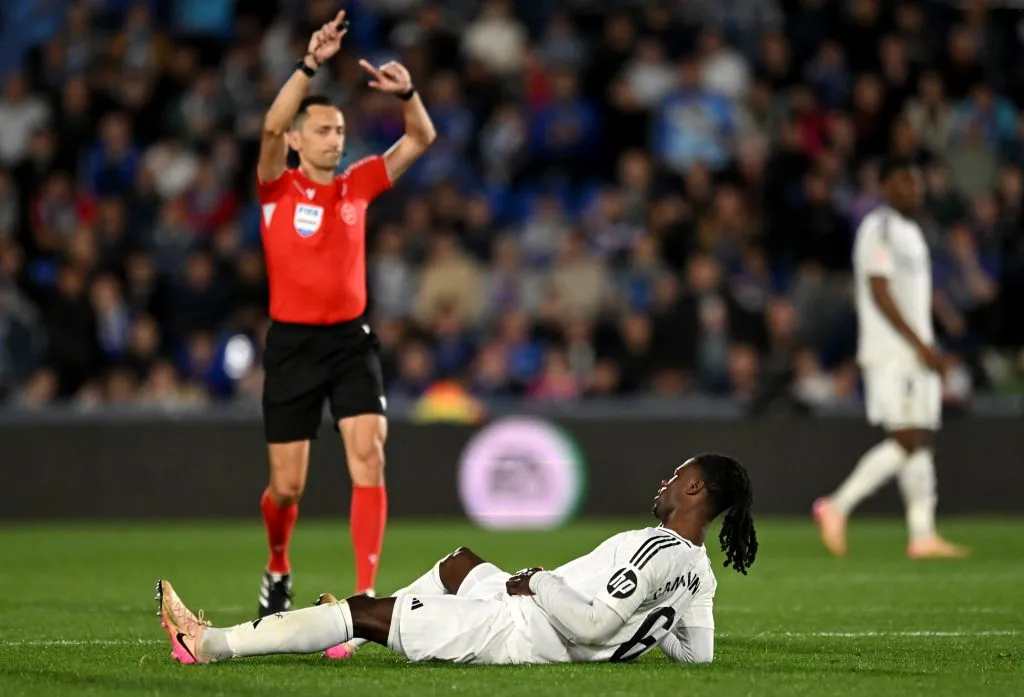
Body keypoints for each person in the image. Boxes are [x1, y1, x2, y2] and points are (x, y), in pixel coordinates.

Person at [157, 453, 757, 666]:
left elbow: (594, 624)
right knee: (459, 563)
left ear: (695, 492)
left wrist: (539, 581)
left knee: (366, 609)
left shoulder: (652, 547)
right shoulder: (698, 572)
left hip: (517, 630)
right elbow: (696, 655)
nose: (665, 481)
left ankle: (210, 645)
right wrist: (640, 632)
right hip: (527, 618)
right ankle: (347, 641)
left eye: (676, 476)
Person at [253, 6, 437, 655]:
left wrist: (408, 93)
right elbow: (273, 122)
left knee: (369, 455)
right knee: (289, 487)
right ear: (300, 140)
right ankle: (278, 565)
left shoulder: (357, 184)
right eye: (324, 129)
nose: (336, 137)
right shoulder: (276, 187)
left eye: (340, 128)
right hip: (294, 345)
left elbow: (419, 139)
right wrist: (309, 64)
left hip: (351, 341)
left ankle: (362, 604)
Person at [814, 156, 967, 559]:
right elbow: (880, 290)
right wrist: (920, 344)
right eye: (902, 182)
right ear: (884, 187)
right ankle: (836, 506)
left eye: (915, 183)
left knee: (920, 438)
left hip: (915, 348)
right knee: (907, 436)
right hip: (892, 351)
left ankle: (922, 534)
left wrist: (935, 332)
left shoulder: (913, 232)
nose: (912, 190)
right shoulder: (877, 227)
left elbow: (912, 292)